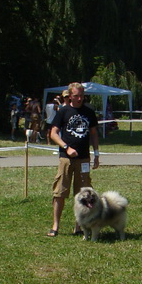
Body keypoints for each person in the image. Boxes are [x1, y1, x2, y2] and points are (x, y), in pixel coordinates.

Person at [47, 82, 99, 237]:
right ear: (70, 96)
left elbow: (94, 134)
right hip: (66, 159)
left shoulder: (89, 111)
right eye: (76, 96)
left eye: (81, 96)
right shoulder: (63, 111)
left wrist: (96, 153)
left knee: (83, 194)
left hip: (84, 159)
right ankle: (55, 226)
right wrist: (66, 147)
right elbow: (53, 133)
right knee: (60, 192)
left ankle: (79, 226)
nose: (79, 99)